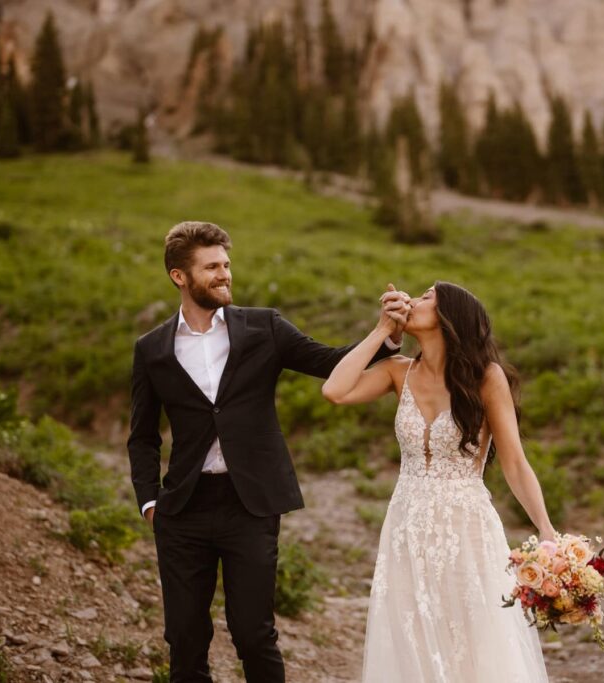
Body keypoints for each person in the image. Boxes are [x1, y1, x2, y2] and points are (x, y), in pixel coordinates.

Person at [126, 221, 402, 683]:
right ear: (180, 276)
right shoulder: (151, 349)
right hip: (183, 509)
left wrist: (384, 334)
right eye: (211, 267)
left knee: (254, 633)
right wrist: (150, 501)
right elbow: (142, 435)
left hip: (250, 504)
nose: (224, 275)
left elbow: (330, 361)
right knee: (185, 638)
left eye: (227, 265)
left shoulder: (264, 327)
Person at [323, 281, 553, 682]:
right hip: (406, 526)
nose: (412, 300)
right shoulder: (397, 371)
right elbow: (334, 391)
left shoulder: (486, 378)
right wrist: (381, 331)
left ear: (451, 317)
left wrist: (546, 529)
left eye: (427, 297)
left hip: (466, 526)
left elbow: (515, 462)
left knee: (470, 637)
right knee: (411, 633)